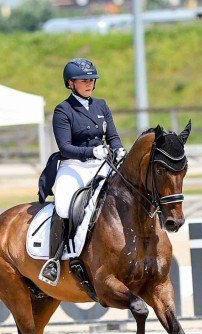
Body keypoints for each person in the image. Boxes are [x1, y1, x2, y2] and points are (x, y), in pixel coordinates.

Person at [39, 58, 126, 286]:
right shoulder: (63, 110)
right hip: (74, 165)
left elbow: (113, 137)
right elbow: (65, 147)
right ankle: (54, 261)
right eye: (83, 80)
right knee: (63, 204)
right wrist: (92, 151)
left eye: (91, 80)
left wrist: (118, 150)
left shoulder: (101, 105)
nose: (89, 84)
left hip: (101, 164)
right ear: (71, 83)